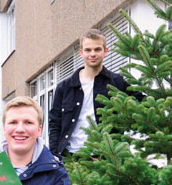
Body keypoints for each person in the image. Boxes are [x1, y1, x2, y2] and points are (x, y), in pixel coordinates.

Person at [48, 28, 128, 157]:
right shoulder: (65, 87)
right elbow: (55, 122)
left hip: (106, 156)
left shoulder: (117, 82)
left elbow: (141, 103)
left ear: (105, 51)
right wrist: (54, 154)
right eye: (88, 50)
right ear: (81, 53)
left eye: (97, 49)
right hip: (71, 156)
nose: (92, 54)